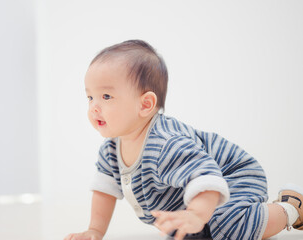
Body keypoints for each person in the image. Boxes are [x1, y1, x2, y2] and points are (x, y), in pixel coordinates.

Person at [64, 40, 302, 240]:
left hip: (232, 176)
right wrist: (95, 230)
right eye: (90, 97)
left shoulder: (166, 143)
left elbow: (206, 176)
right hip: (198, 196)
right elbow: (104, 190)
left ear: (145, 104)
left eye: (106, 96)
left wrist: (197, 214)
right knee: (187, 233)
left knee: (230, 226)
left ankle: (292, 207)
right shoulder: (110, 151)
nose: (94, 106)